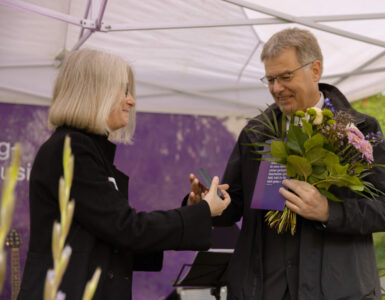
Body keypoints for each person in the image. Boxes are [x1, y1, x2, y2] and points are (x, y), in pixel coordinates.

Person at [189, 28, 385, 299]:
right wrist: (205, 206)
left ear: (315, 70)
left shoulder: (357, 130)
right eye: (270, 79)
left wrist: (329, 211)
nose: (277, 88)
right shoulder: (257, 133)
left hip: (337, 292)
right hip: (263, 291)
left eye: (285, 77)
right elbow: (236, 205)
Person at [17, 49, 231, 300]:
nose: (131, 101)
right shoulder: (71, 149)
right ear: (96, 92)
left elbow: (115, 239)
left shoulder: (84, 149)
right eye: (124, 91)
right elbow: (126, 229)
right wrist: (201, 212)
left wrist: (193, 209)